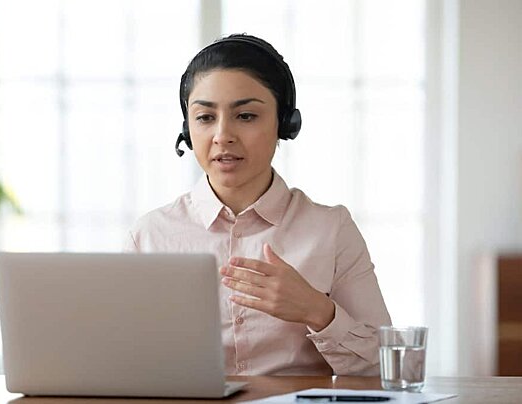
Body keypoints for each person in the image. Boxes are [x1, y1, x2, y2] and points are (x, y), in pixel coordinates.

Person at [123, 34, 391, 376]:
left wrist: (317, 311)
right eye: (205, 118)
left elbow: (383, 368)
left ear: (285, 124)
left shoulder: (331, 229)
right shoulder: (149, 236)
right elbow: (124, 364)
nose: (223, 135)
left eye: (246, 116)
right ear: (187, 131)